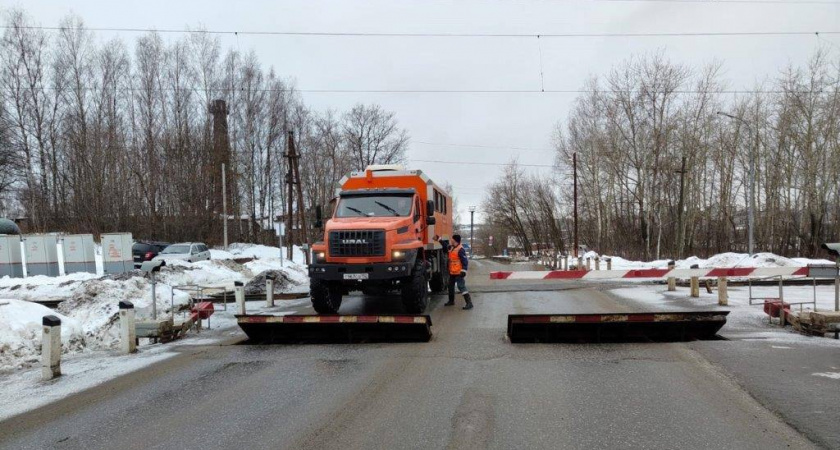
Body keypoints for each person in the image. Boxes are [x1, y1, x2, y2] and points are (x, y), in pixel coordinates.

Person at [444, 234, 473, 310]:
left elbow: (465, 261)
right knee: (450, 286)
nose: (451, 240)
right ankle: (451, 301)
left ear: (455, 240)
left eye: (452, 239)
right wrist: (439, 239)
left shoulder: (460, 249)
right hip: (452, 272)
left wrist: (464, 271)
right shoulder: (452, 248)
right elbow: (445, 246)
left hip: (459, 273)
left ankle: (469, 303)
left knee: (461, 287)